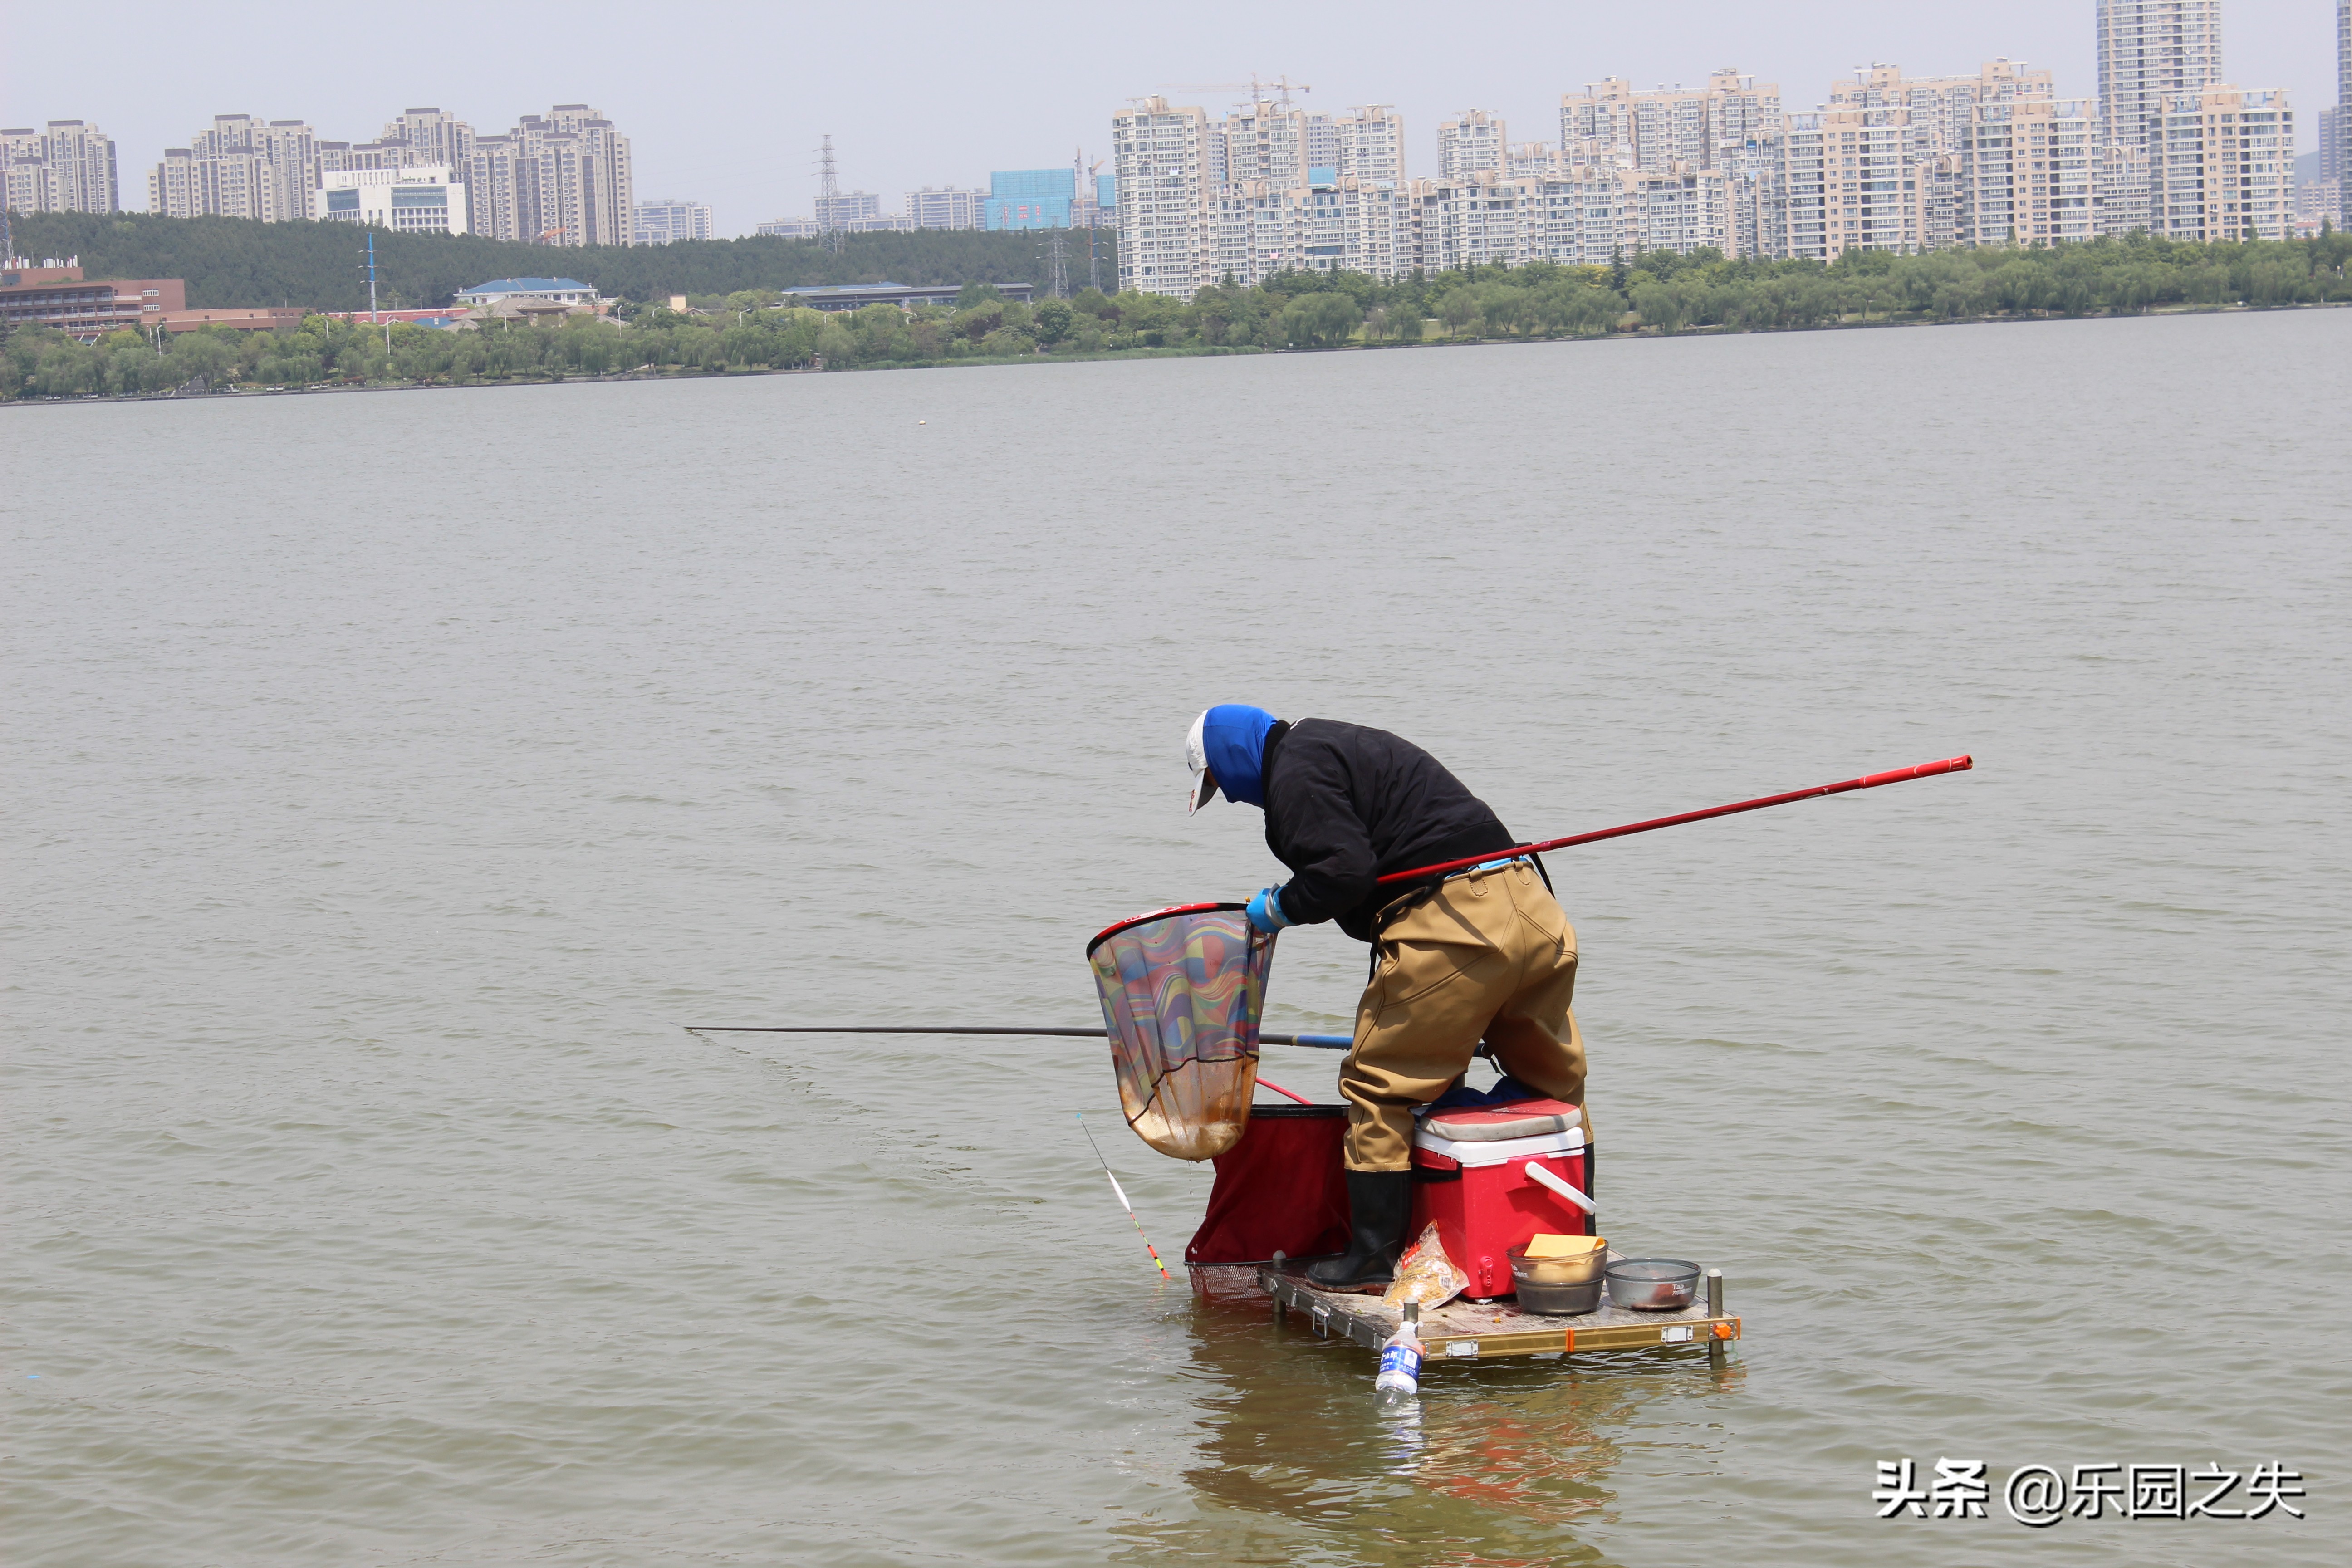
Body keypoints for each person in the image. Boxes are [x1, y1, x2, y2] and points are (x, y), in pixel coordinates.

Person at [1186, 704, 1588, 1288]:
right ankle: (1568, 1246)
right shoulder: (1335, 743)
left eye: (1220, 783)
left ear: (1232, 755)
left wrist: (1279, 908)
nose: (1228, 797)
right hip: (1534, 908)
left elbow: (1343, 874)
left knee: (1379, 1088)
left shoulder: (1293, 772)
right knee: (1555, 1085)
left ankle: (1372, 1261)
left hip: (1458, 924)